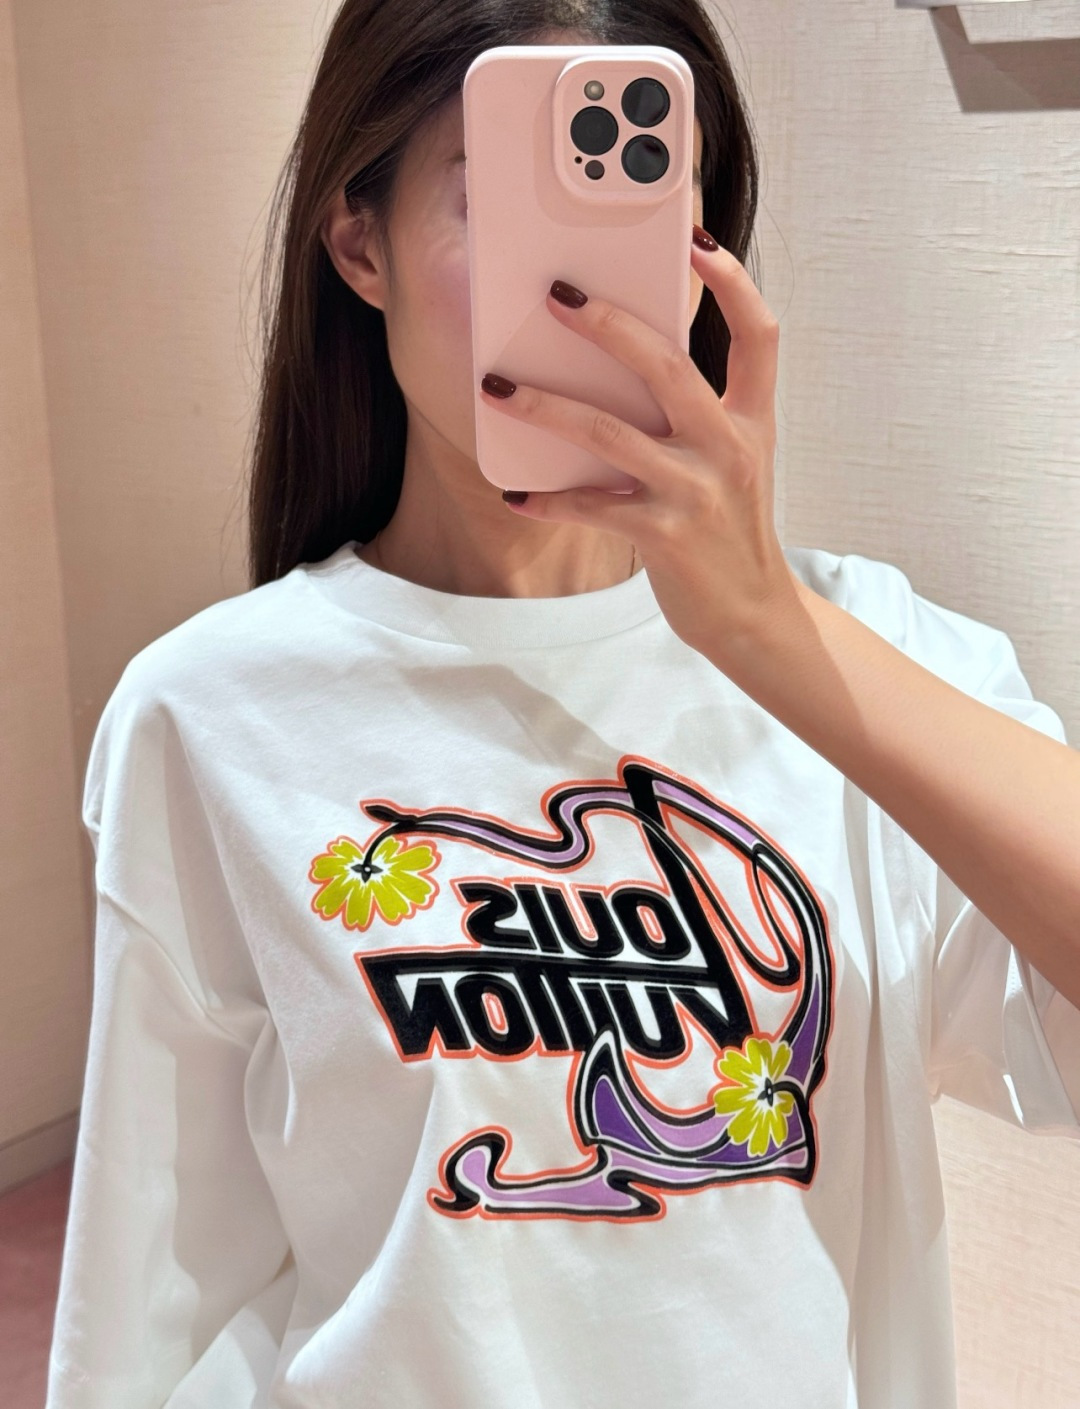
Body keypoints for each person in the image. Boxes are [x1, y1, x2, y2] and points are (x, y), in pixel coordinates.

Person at [46, 1, 1080, 1406]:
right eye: (507, 205)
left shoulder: (866, 660)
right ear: (359, 243)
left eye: (640, 206)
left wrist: (771, 633)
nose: (578, 287)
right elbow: (153, 1303)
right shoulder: (208, 714)